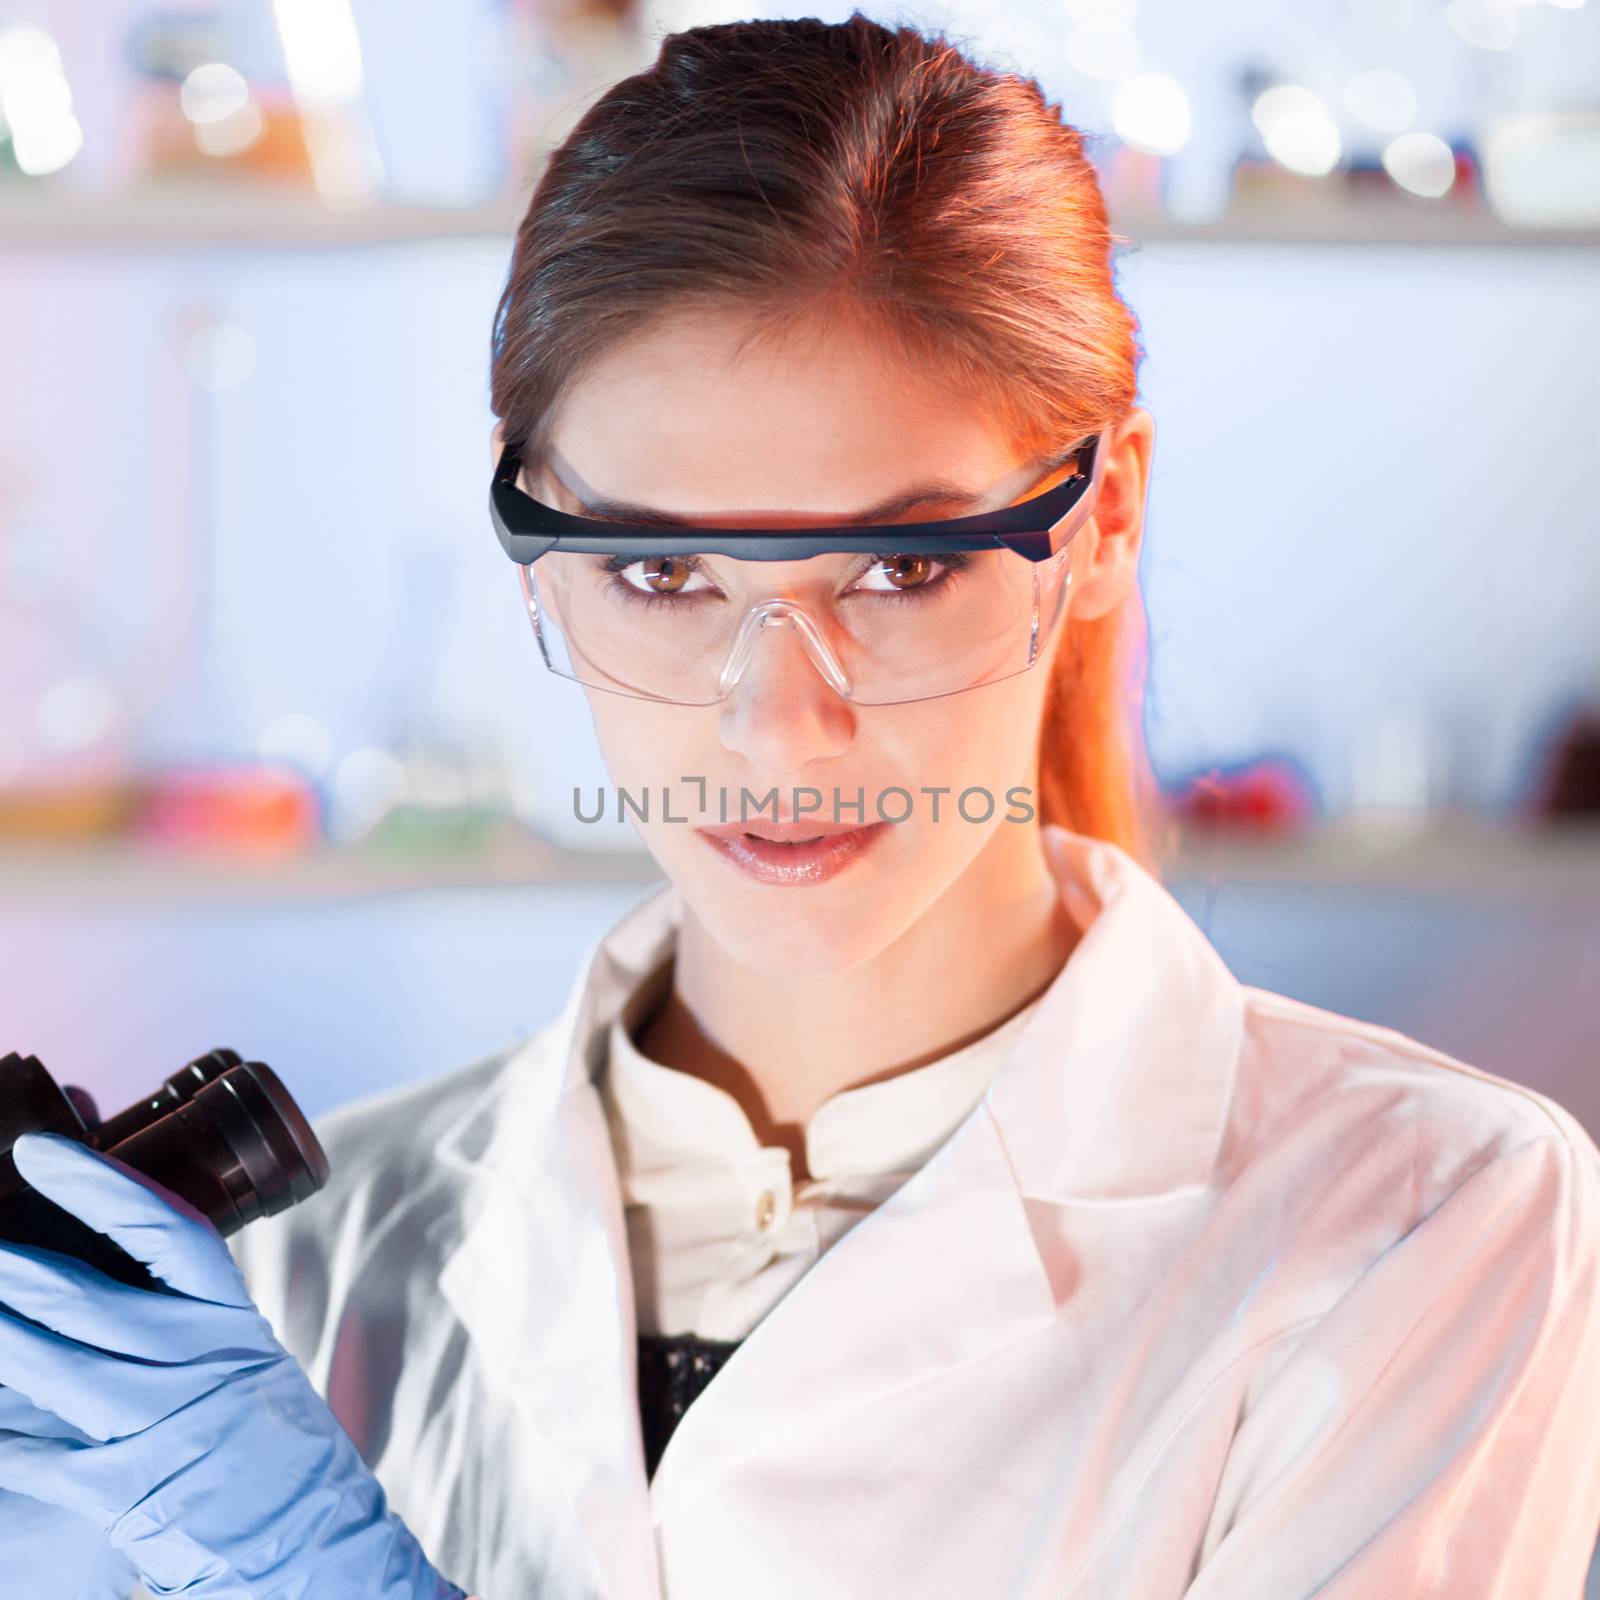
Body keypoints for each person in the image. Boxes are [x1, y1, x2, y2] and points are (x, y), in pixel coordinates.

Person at [3, 12, 1600, 1598]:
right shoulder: (293, 1275)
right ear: (538, 560)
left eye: (902, 569)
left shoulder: (1424, 1223)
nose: (776, 727)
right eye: (659, 572)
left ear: (1103, 518)